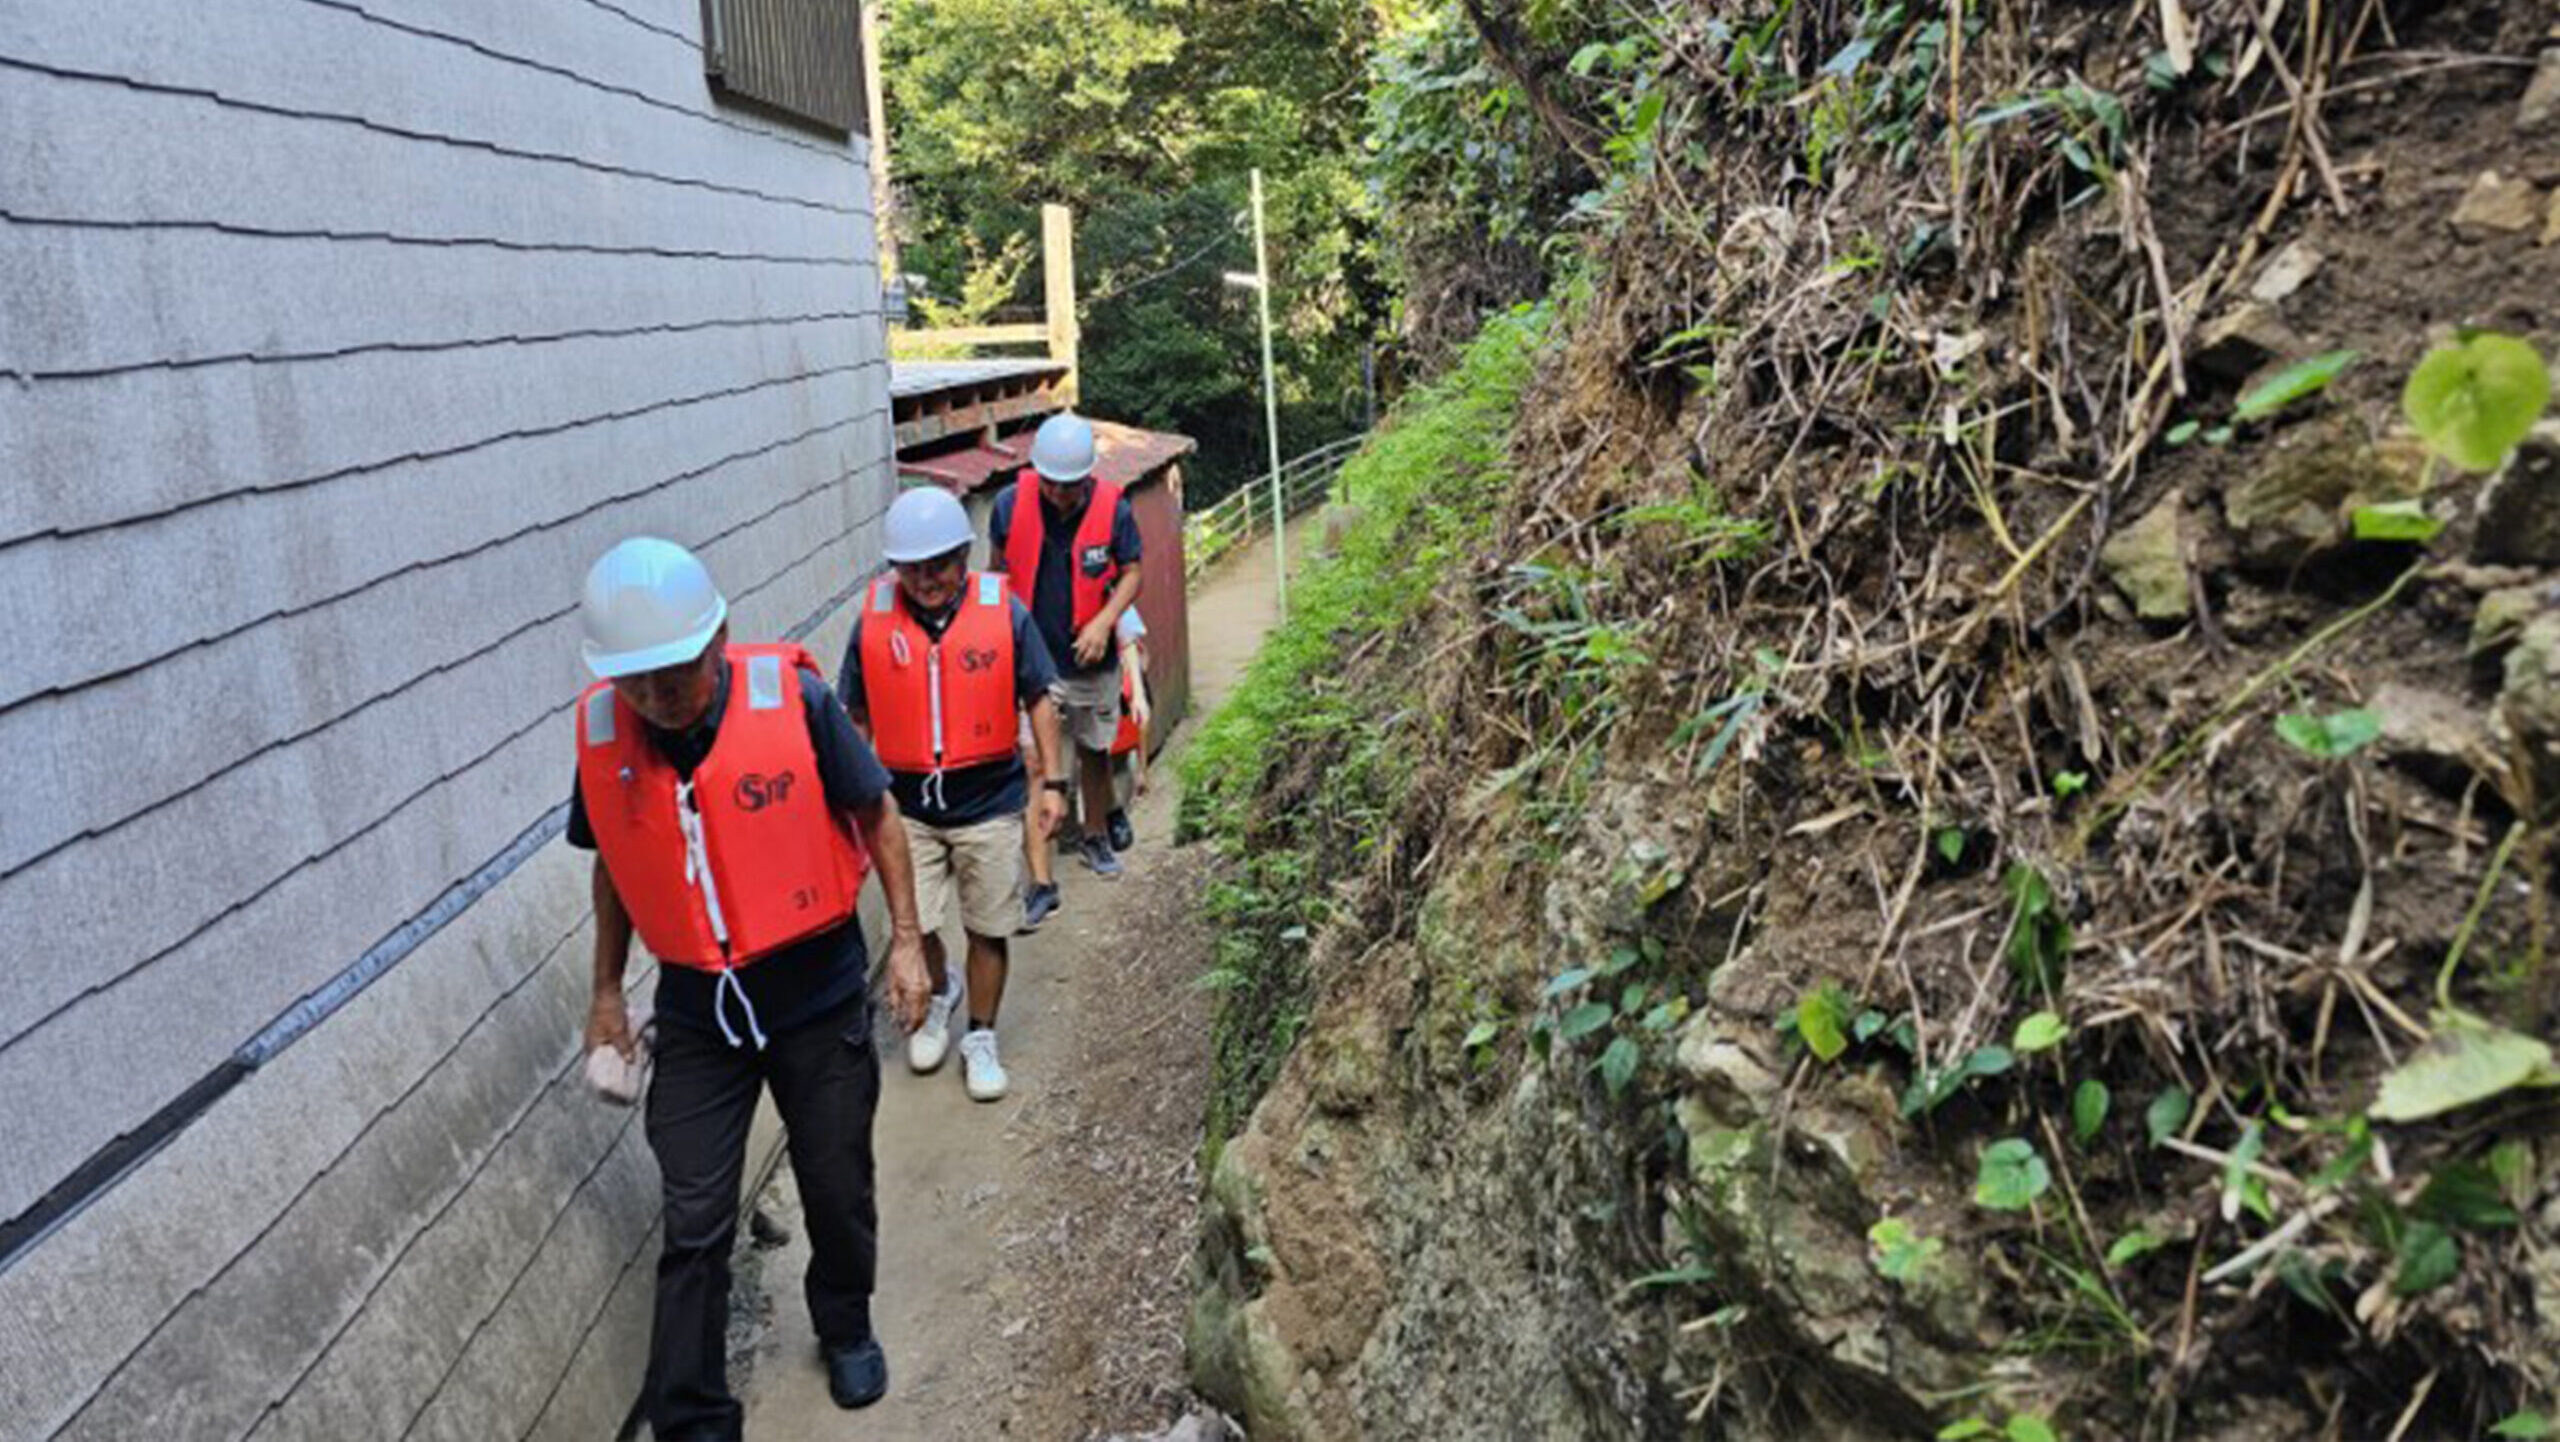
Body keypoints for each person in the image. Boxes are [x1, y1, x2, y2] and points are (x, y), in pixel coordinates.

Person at [570, 537, 932, 1440]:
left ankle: (844, 1323)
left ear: (718, 637)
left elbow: (876, 813)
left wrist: (909, 944)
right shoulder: (606, 735)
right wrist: (607, 992)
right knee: (693, 1216)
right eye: (637, 682)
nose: (655, 698)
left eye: (674, 675)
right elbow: (615, 864)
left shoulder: (797, 701)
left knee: (835, 1182)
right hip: (698, 1010)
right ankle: (693, 1417)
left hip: (813, 992)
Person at [839, 487, 1067, 1101]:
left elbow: (1041, 697)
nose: (926, 579)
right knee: (921, 924)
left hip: (988, 800)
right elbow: (854, 718)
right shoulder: (872, 625)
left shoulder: (1006, 614)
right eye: (912, 568)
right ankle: (942, 993)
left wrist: (1054, 781)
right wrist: (850, 804)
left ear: (963, 556)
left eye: (938, 565)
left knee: (989, 925)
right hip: (904, 807)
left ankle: (982, 1035)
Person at [989, 412, 1144, 879]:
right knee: (1035, 760)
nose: (1058, 493)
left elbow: (1133, 571)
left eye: (1069, 485)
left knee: (1096, 750)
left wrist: (1105, 620)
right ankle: (1040, 880)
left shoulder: (1114, 509)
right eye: (1051, 483)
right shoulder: (1008, 505)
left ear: (1086, 477)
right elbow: (995, 575)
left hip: (1088, 660)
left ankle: (1094, 835)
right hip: (1032, 663)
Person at [1103, 606, 1153, 853]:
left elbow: (1134, 644)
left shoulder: (1116, 595)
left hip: (1118, 679)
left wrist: (1143, 769)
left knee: (1117, 760)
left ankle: (1116, 813)